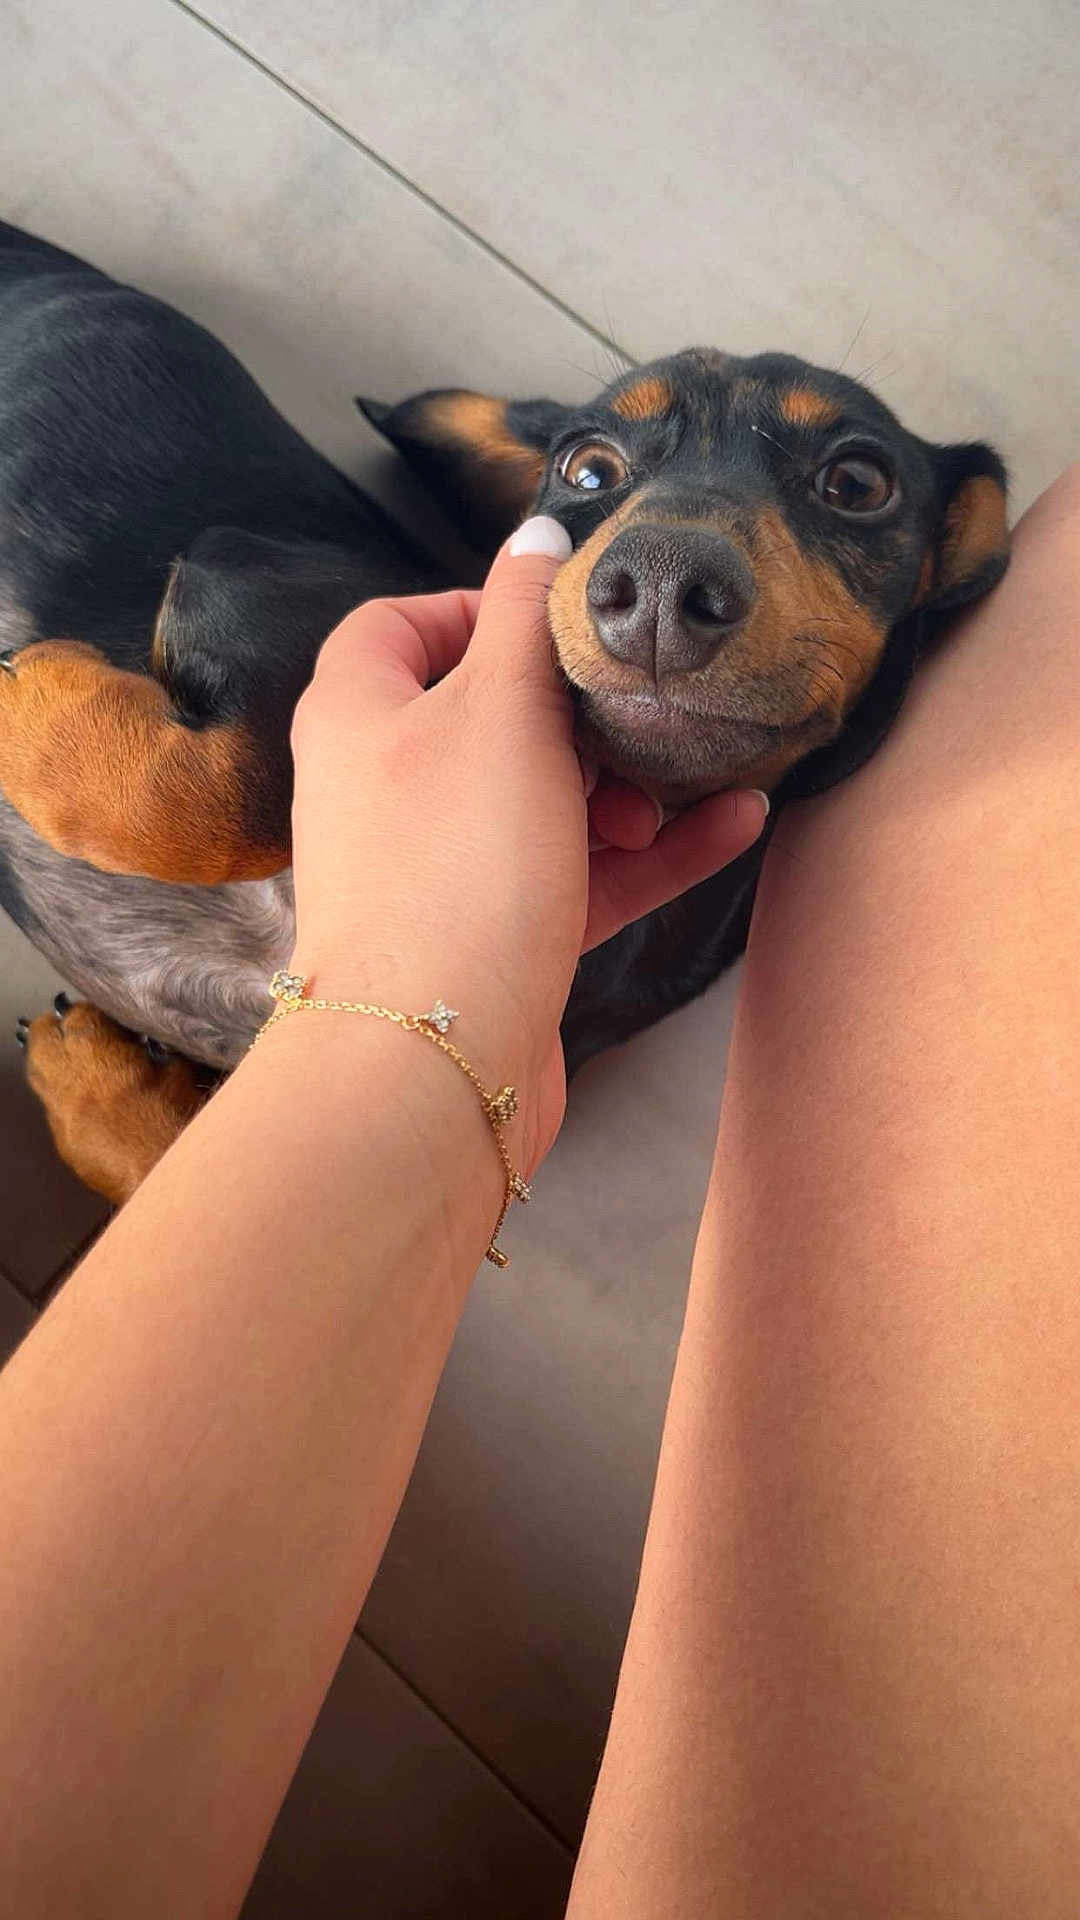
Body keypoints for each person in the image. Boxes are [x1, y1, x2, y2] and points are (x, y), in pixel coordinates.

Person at [0, 469, 1077, 1917]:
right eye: (594, 479)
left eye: (849, 487)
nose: (671, 569)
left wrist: (404, 1045)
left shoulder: (698, 920)